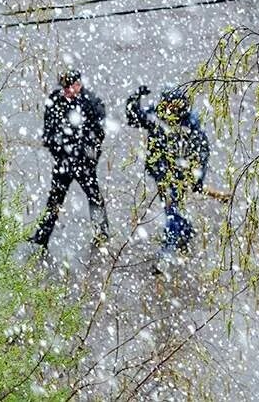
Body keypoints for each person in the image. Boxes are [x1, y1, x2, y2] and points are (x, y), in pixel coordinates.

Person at [126, 85, 209, 273]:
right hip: (161, 173)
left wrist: (198, 178)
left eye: (172, 105)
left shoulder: (191, 123)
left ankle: (166, 254)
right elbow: (134, 118)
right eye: (166, 104)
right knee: (172, 210)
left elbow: (202, 152)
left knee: (171, 211)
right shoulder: (157, 115)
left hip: (180, 176)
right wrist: (135, 98)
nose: (168, 108)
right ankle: (186, 231)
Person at [29, 70, 109, 249]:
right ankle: (42, 236)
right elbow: (48, 129)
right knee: (55, 199)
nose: (66, 91)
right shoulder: (56, 100)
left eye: (69, 87)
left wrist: (89, 157)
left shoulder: (91, 103)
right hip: (63, 160)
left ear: (78, 85)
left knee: (94, 197)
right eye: (64, 87)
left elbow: (98, 133)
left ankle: (101, 233)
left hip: (83, 162)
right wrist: (56, 149)